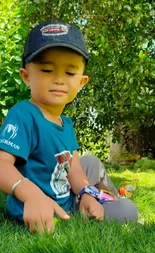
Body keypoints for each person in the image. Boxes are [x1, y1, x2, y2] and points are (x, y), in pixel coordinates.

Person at [0, 20, 138, 233]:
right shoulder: (24, 114)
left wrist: (84, 193)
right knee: (128, 211)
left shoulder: (67, 124)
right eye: (47, 69)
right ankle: (105, 202)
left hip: (69, 195)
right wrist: (30, 193)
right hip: (42, 208)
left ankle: (100, 197)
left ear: (81, 82)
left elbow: (73, 168)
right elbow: (2, 165)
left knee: (90, 162)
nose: (58, 80)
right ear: (26, 76)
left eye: (70, 73)